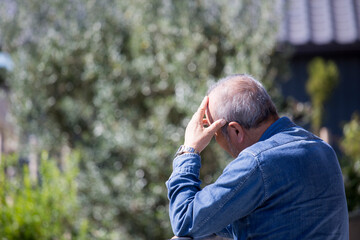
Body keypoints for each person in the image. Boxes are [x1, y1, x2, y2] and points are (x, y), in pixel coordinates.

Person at [166, 74, 349, 239]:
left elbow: (184, 220)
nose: (215, 140)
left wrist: (189, 150)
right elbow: (268, 220)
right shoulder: (322, 149)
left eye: (214, 134)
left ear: (236, 130)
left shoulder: (257, 163)